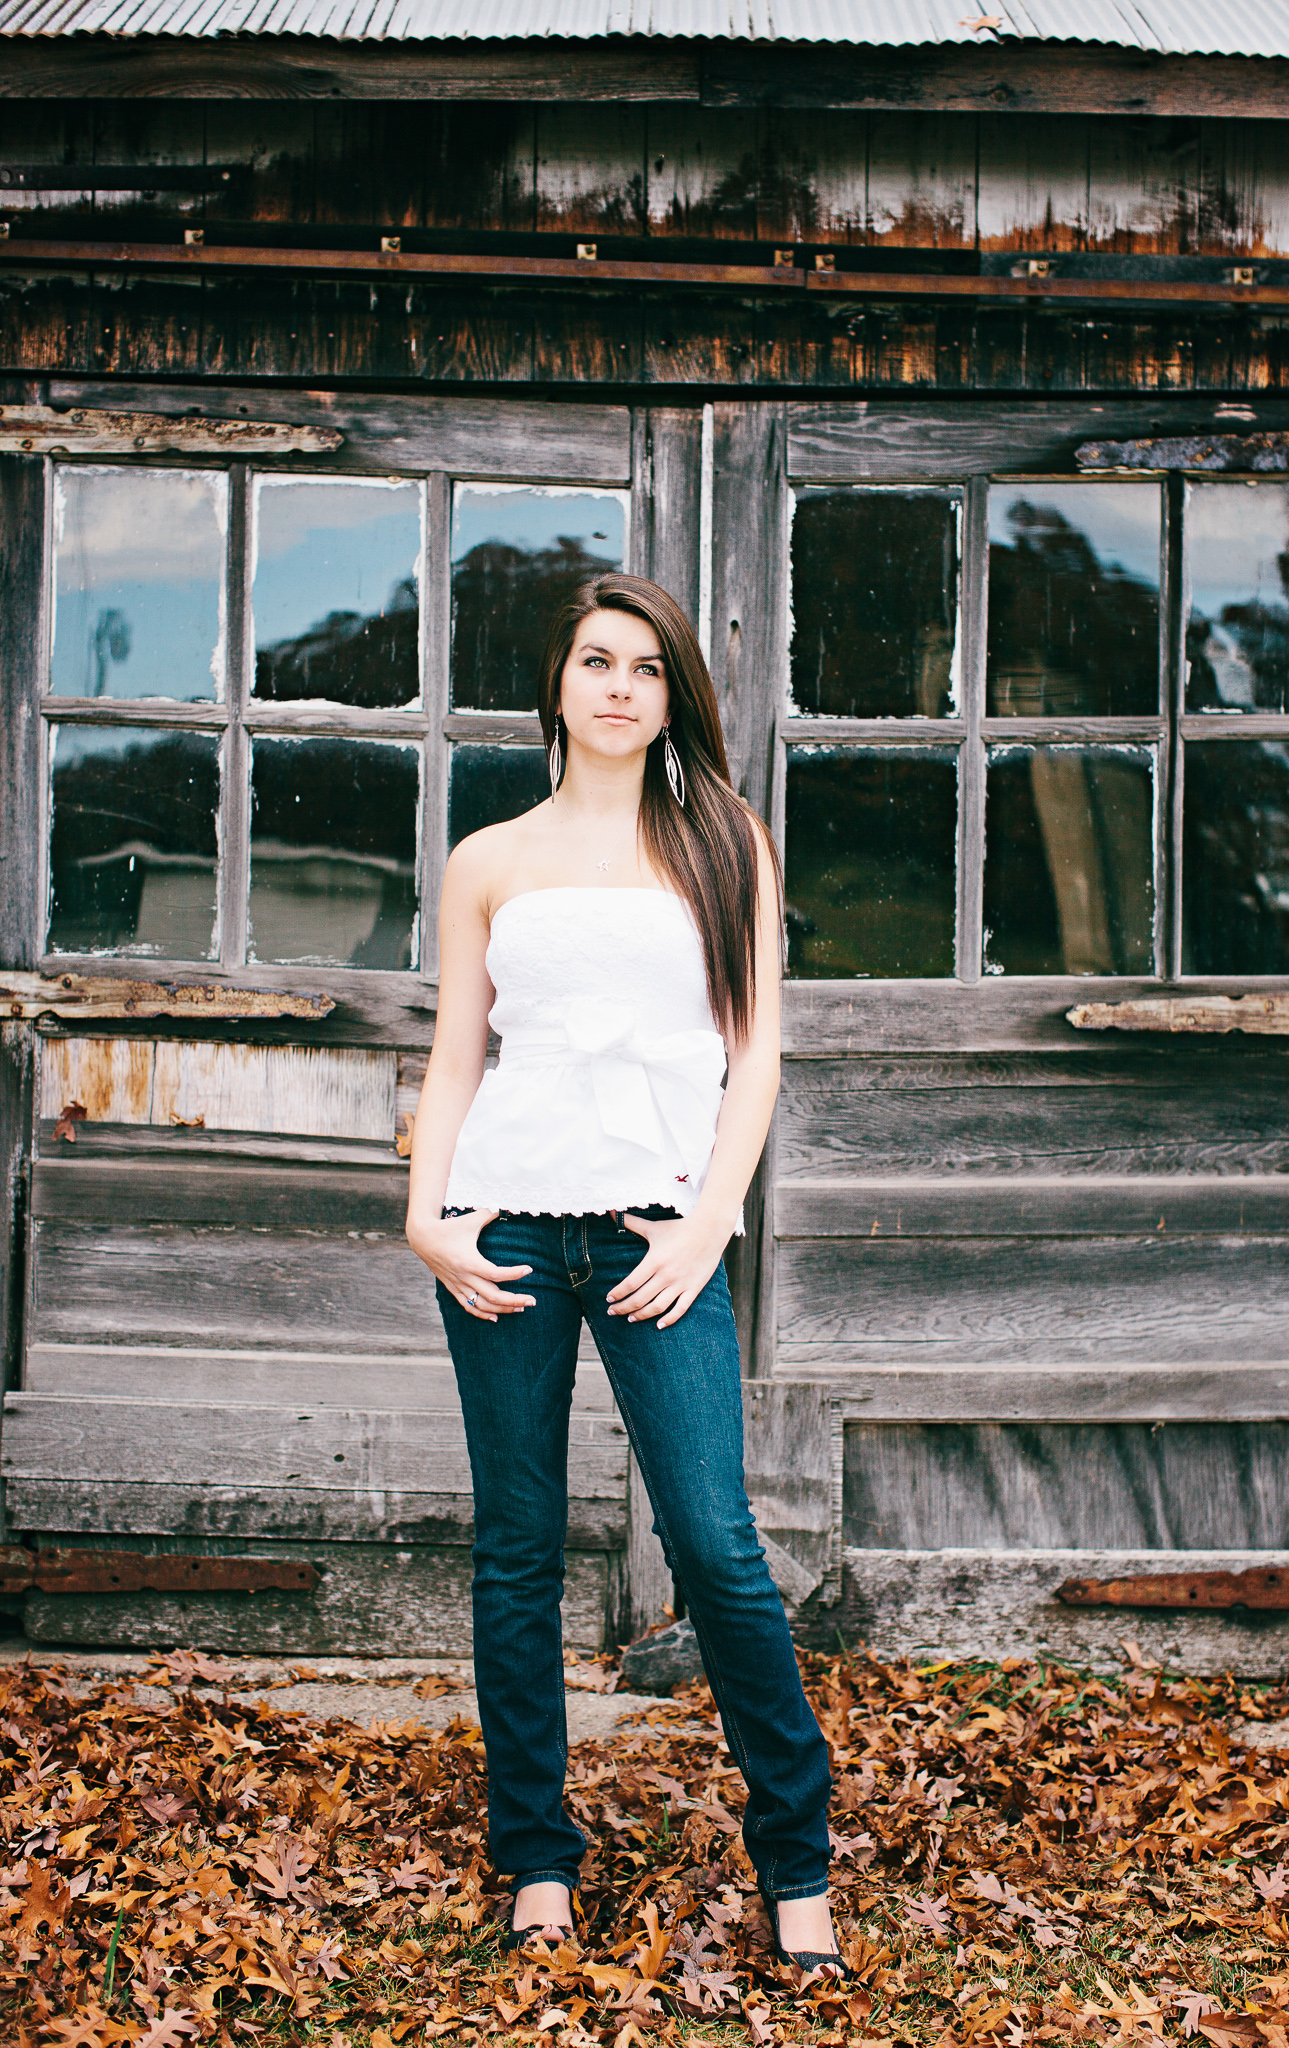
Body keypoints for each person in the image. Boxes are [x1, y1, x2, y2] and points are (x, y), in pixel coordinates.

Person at [404, 573, 843, 1977]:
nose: (617, 687)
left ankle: (800, 1863)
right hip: (508, 1227)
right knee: (518, 1551)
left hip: (661, 1232)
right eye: (596, 661)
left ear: (671, 699)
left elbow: (757, 1049)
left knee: (715, 1544)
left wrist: (711, 1221)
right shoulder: (488, 857)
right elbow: (459, 1056)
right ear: (558, 685)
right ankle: (535, 1860)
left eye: (645, 669)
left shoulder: (725, 842)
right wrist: (427, 1212)